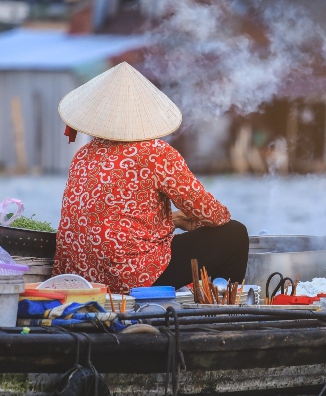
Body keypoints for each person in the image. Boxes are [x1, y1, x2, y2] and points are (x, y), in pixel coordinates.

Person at [52, 62, 249, 293]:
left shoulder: (83, 155)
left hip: (80, 277)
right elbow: (211, 213)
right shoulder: (155, 153)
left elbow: (108, 214)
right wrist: (206, 222)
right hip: (129, 276)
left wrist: (172, 220)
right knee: (235, 233)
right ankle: (224, 311)